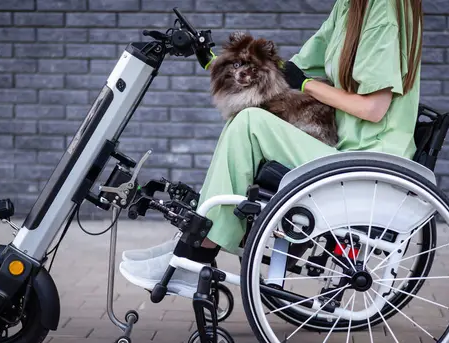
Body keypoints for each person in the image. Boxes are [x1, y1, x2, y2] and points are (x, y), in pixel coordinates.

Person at [120, 0, 423, 292]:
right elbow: (286, 69)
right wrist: (216, 62)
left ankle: (194, 255)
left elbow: (373, 109)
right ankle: (191, 242)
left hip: (369, 163)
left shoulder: (383, 9)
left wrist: (307, 84)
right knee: (248, 120)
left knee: (250, 123)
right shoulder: (348, 7)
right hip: (347, 155)